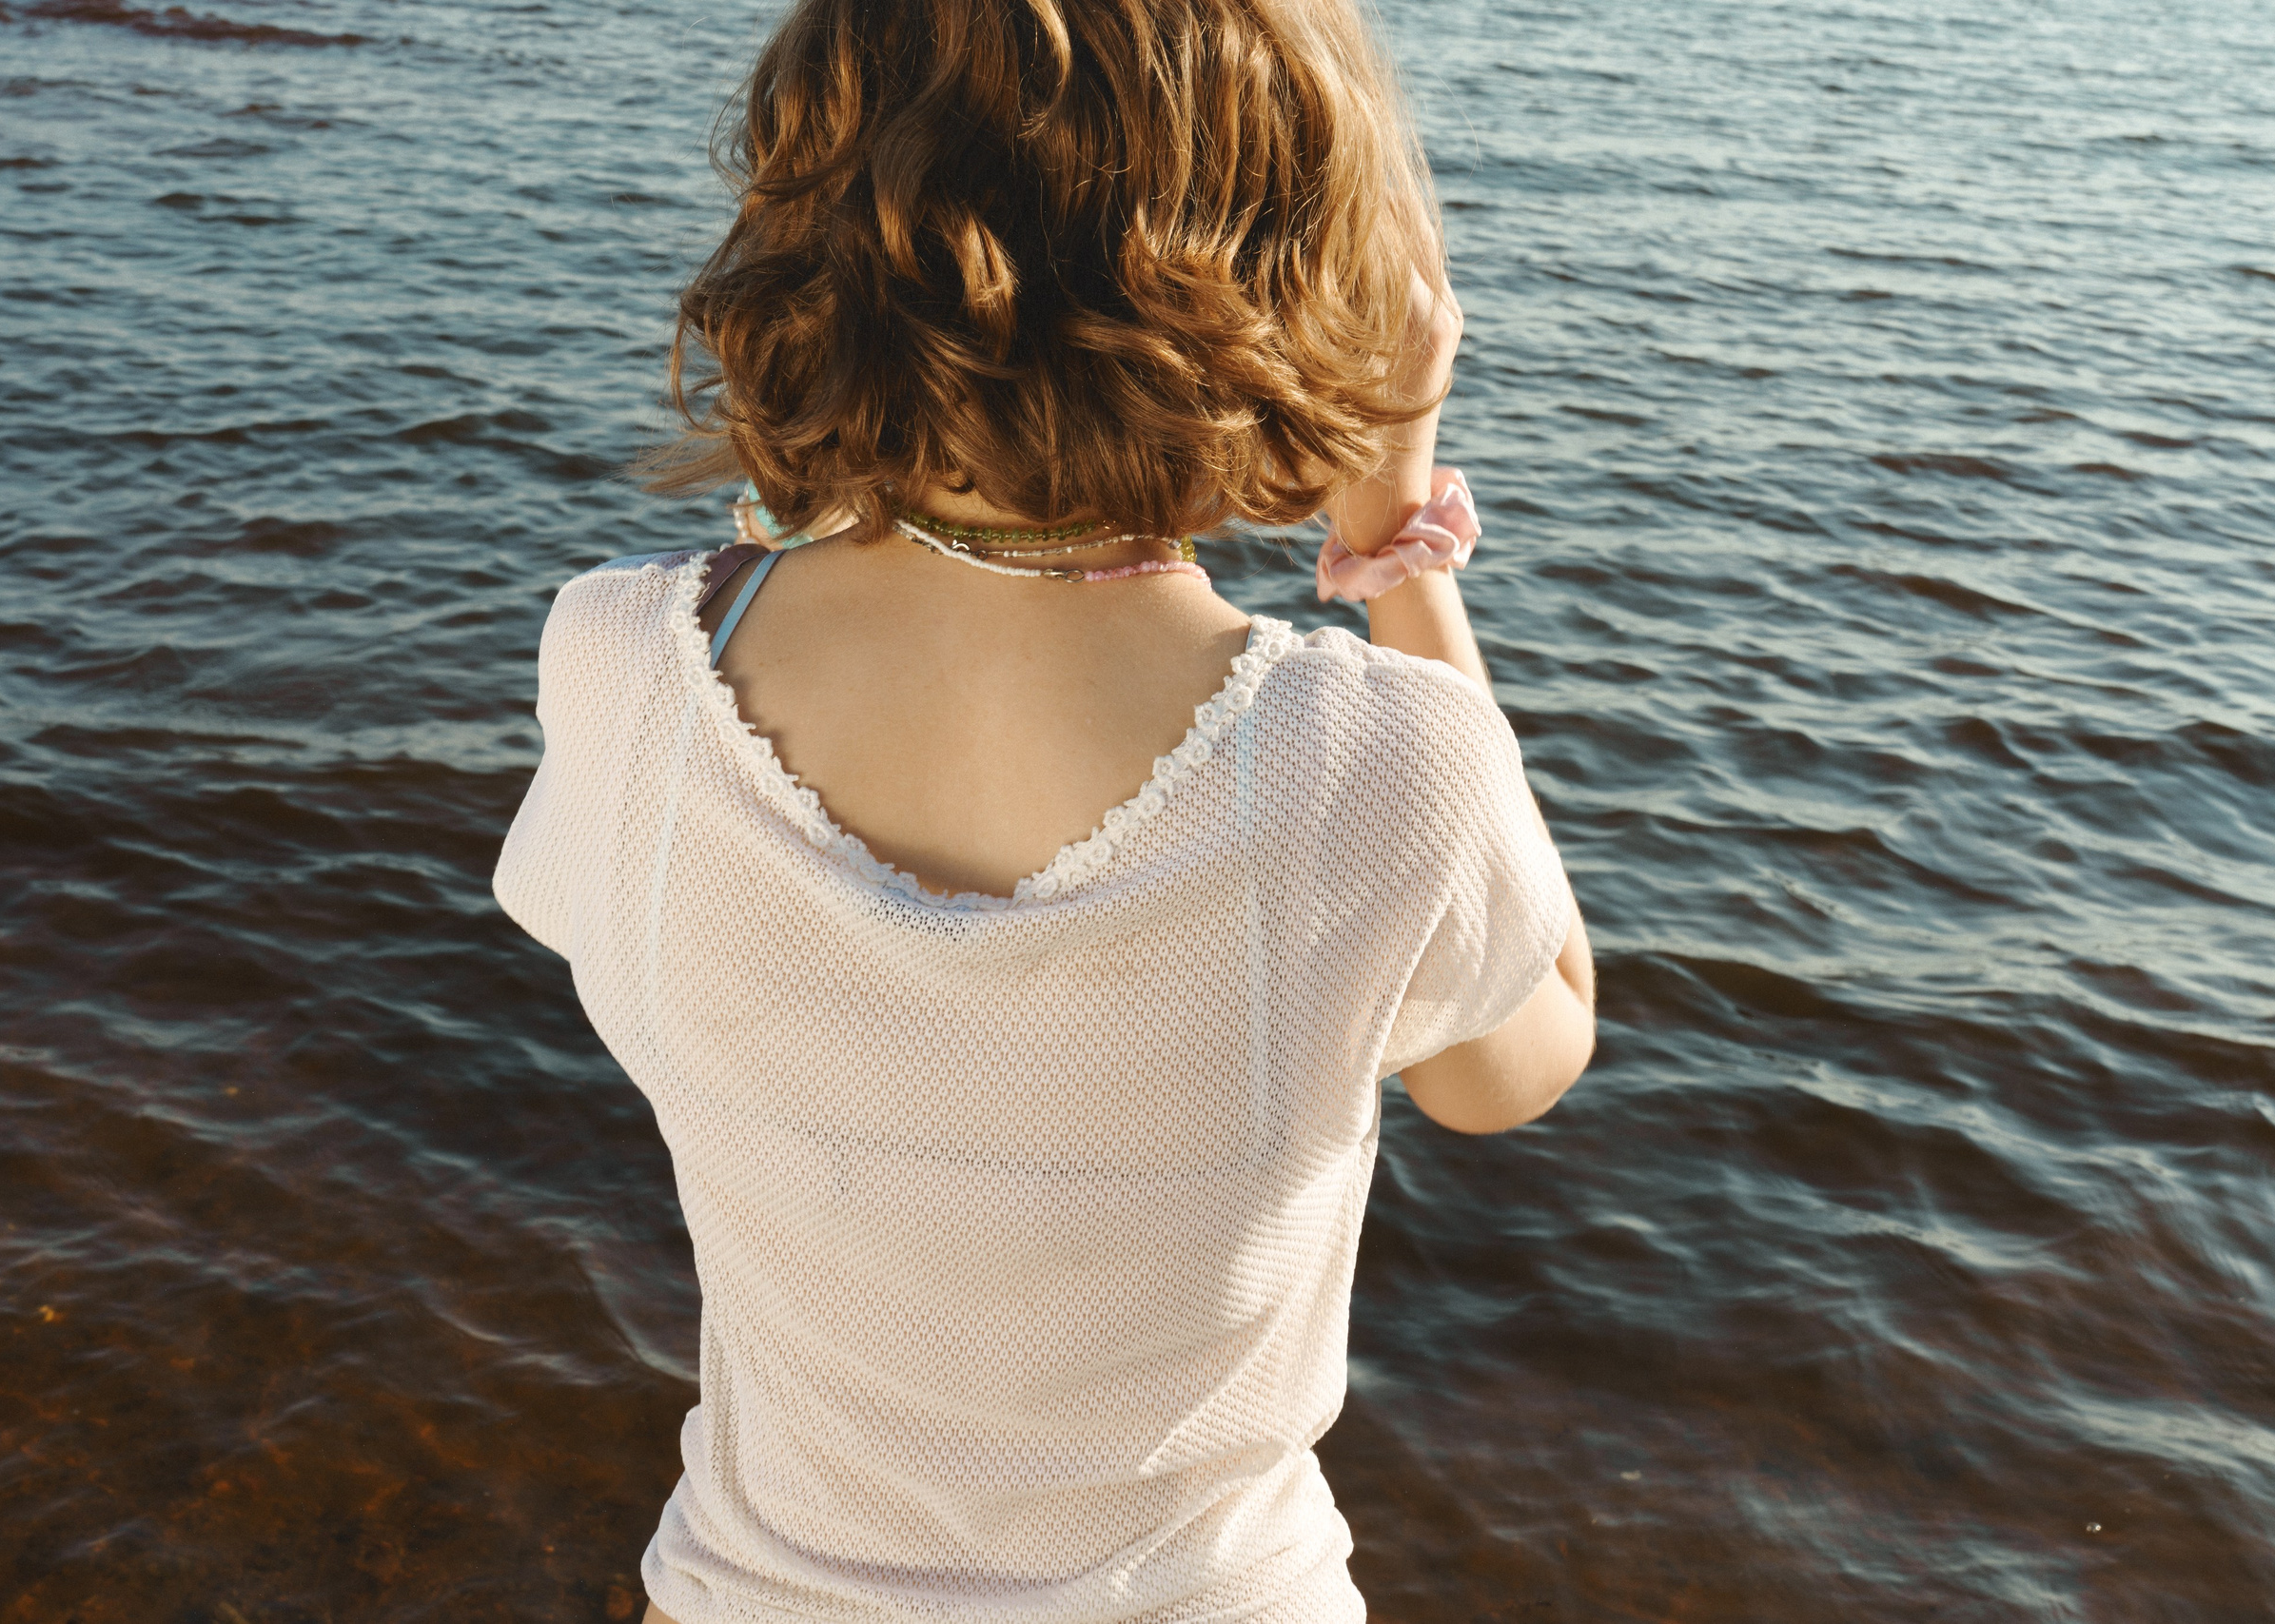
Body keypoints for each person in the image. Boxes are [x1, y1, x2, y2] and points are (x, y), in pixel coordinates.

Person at [493, 0, 1596, 1618]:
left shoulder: (624, 668)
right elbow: (1522, 1061)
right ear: (1297, 281)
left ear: (815, 231)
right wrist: (1399, 552)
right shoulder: (1368, 759)